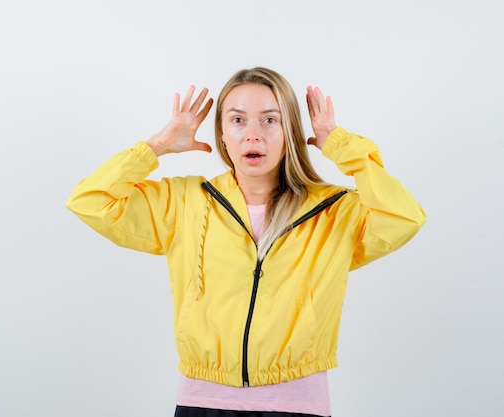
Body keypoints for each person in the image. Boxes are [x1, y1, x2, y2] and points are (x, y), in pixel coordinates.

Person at [66, 67, 426, 417]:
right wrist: (156, 146)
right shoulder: (186, 202)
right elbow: (90, 201)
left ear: (290, 131)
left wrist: (343, 146)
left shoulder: (333, 211)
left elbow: (404, 218)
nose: (253, 135)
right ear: (221, 133)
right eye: (238, 120)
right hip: (203, 401)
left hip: (297, 405)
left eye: (270, 120)